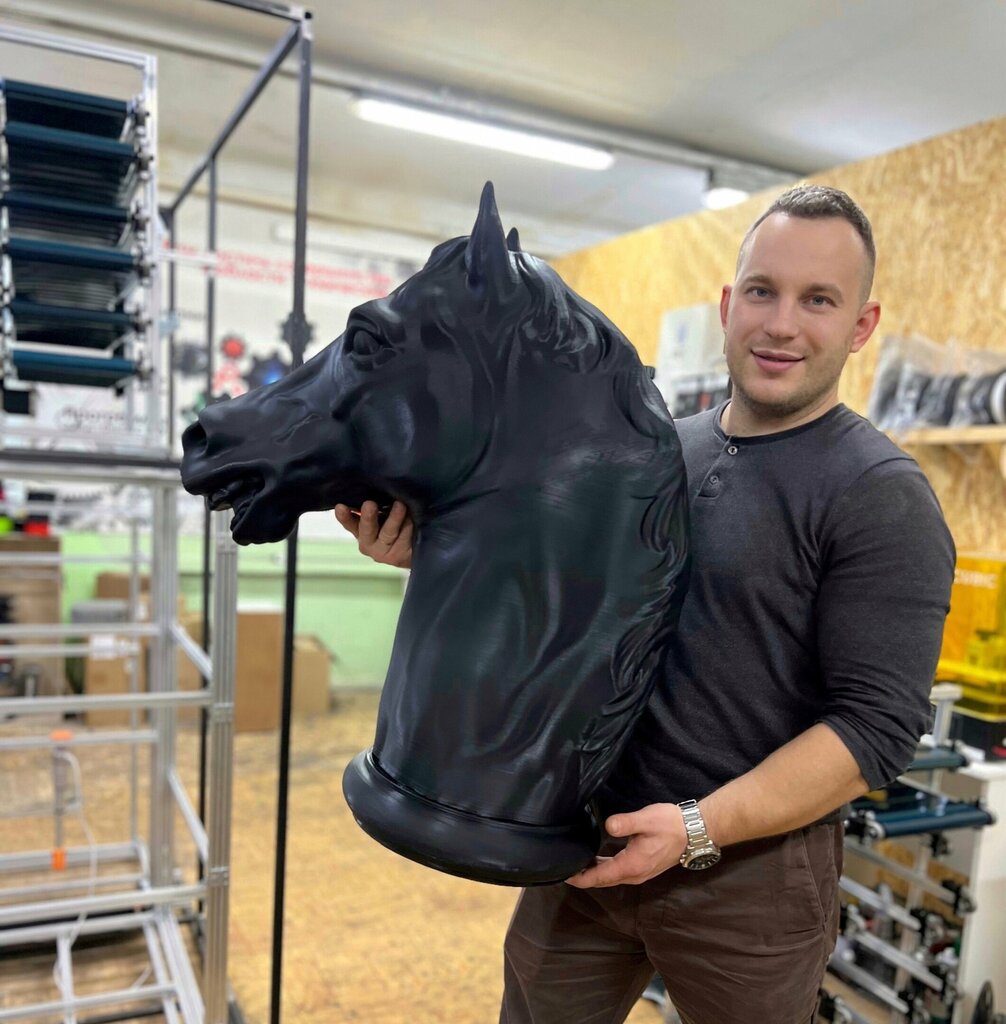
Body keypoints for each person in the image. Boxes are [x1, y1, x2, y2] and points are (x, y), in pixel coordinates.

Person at [335, 185, 955, 1024]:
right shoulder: (656, 448)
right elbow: (564, 605)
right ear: (728, 305)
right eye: (763, 291)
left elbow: (876, 726)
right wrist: (434, 557)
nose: (781, 324)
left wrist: (697, 828)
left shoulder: (879, 494)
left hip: (747, 880)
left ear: (861, 325)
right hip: (581, 841)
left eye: (819, 300)